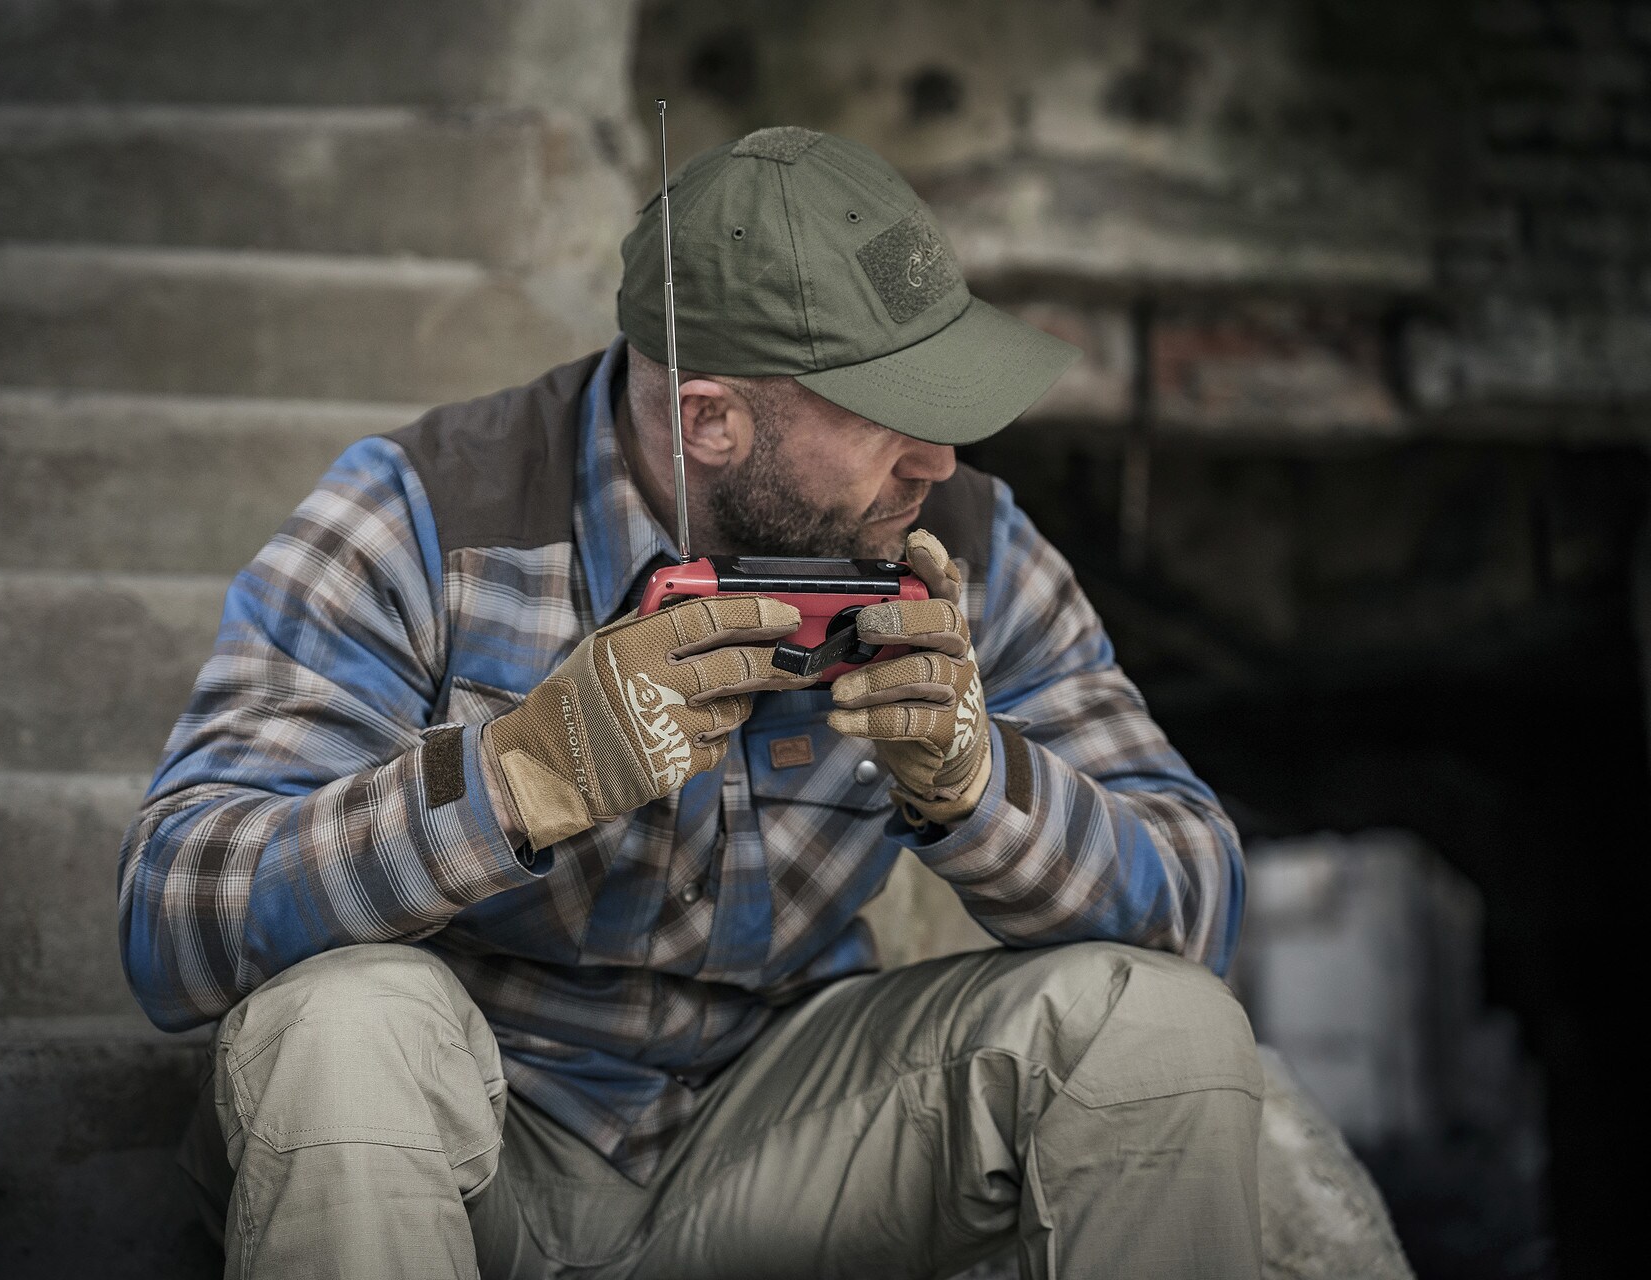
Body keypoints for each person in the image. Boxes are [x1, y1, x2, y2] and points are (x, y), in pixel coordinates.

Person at [119, 126, 1261, 1280]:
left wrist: (985, 786)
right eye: (892, 408)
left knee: (1163, 1029)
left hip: (792, 1138)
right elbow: (175, 915)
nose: (942, 460)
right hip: (476, 1137)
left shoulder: (970, 545)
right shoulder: (422, 516)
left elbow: (1200, 899)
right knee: (335, 1026)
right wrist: (519, 777)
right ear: (710, 418)